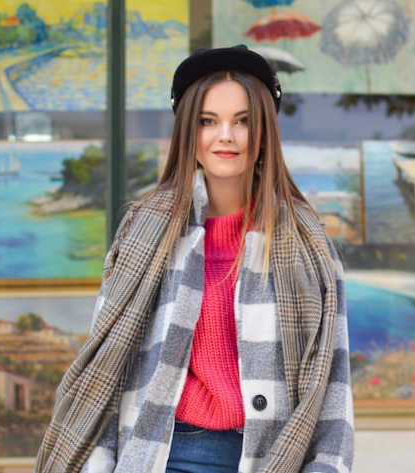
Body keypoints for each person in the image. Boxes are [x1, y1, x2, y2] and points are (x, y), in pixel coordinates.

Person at [34, 45, 354, 473]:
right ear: (189, 131)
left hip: (271, 458)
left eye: (243, 121)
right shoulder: (145, 231)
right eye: (208, 121)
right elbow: (108, 367)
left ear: (264, 133)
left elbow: (334, 382)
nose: (226, 135)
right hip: (161, 455)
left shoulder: (306, 242)